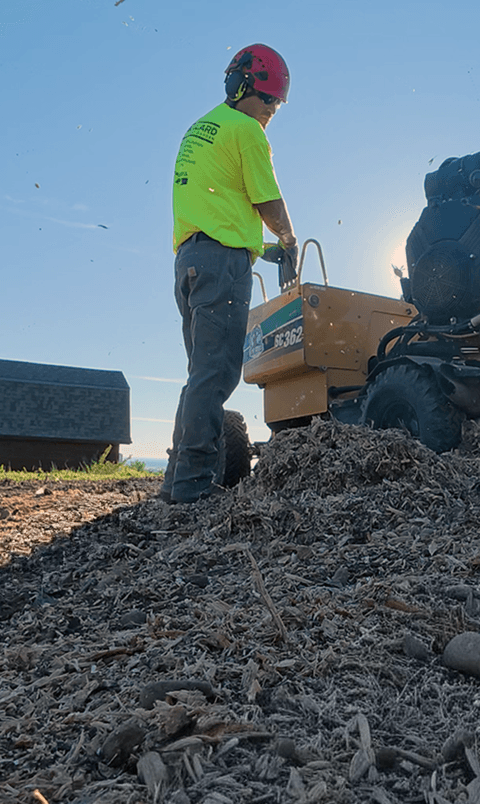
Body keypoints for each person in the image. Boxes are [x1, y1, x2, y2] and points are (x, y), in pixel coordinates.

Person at [161, 43, 297, 503]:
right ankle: (195, 486)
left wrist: (260, 249)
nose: (271, 113)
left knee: (199, 375)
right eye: (271, 103)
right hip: (221, 265)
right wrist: (288, 241)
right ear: (250, 92)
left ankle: (176, 479)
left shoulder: (200, 129)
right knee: (216, 376)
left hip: (191, 260)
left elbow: (219, 205)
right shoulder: (247, 130)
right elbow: (267, 201)